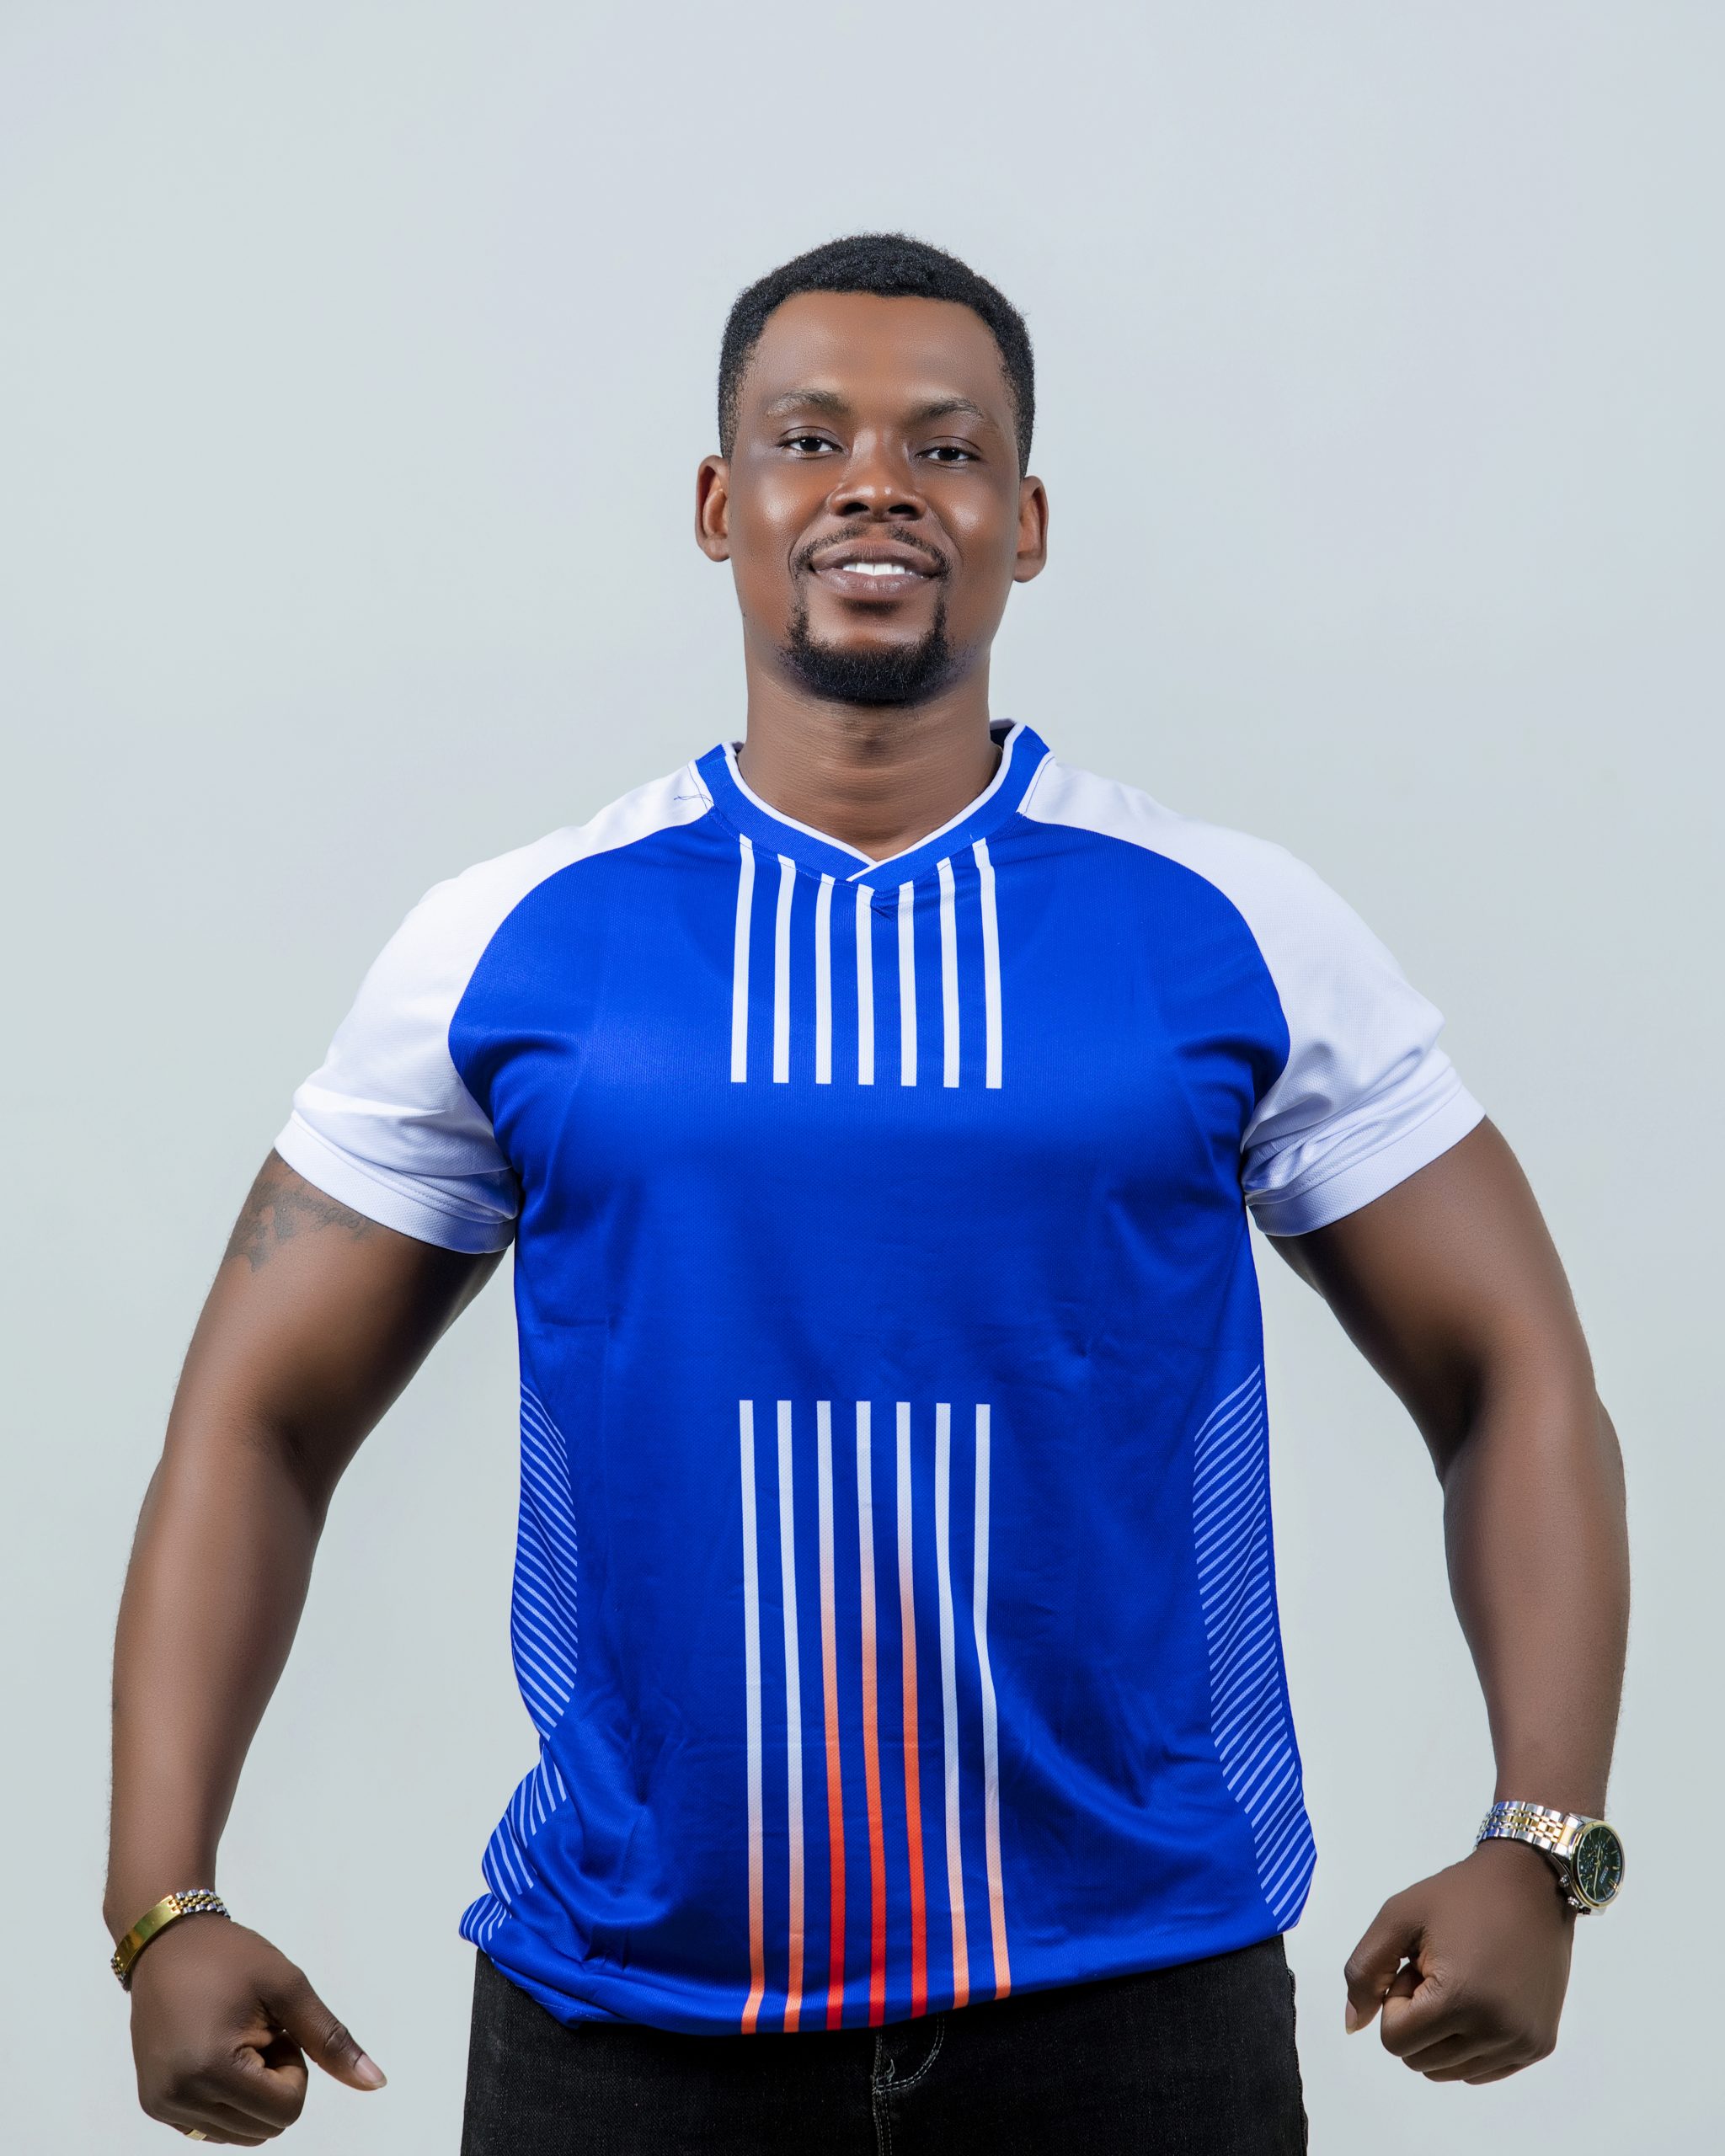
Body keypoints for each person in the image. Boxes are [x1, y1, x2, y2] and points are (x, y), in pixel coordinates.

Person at [106, 233, 1629, 2153]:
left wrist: (1542, 1836)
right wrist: (161, 1895)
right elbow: (256, 1416)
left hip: (1131, 2013)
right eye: (809, 438)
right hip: (628, 2029)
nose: (878, 486)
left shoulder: (1233, 927)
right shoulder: (509, 943)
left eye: (949, 447)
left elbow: (1514, 1372)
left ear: (1027, 522)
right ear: (718, 504)